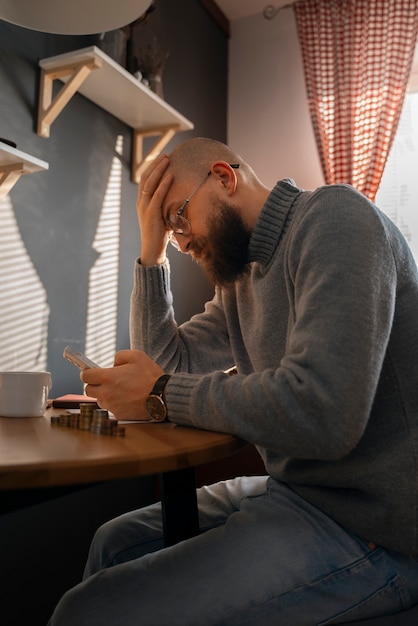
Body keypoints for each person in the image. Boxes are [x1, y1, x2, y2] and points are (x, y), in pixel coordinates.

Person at [48, 137, 418, 625]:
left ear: (224, 178)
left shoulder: (337, 220)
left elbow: (324, 410)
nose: (182, 241)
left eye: (179, 218)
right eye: (170, 231)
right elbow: (168, 360)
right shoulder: (242, 277)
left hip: (373, 524)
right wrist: (151, 251)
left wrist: (160, 393)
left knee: (85, 611)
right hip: (297, 491)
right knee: (112, 542)